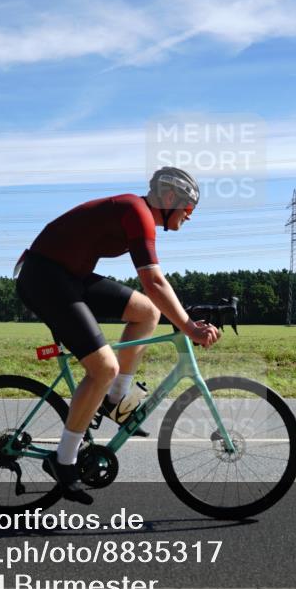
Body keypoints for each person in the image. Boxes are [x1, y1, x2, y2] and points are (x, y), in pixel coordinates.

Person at [15, 167, 221, 504]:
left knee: (147, 312)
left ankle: (114, 398)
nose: (189, 217)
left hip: (69, 276)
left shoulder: (136, 213)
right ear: (169, 199)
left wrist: (184, 317)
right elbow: (153, 281)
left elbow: (153, 293)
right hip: (45, 278)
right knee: (103, 367)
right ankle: (63, 460)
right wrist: (189, 327)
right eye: (188, 209)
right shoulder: (136, 213)